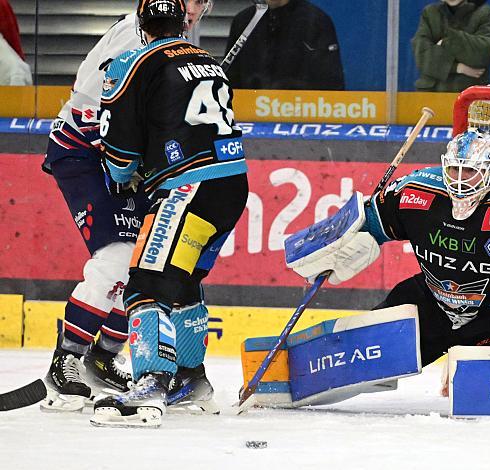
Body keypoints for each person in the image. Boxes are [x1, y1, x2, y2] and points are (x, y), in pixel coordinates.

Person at [289, 129, 490, 379]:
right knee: (354, 357)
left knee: (477, 386)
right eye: (454, 170)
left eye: (470, 172)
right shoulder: (417, 191)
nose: (459, 180)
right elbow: (371, 222)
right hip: (431, 303)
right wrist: (340, 243)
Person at [41, 0, 218, 413]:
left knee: (146, 259)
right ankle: (66, 360)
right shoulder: (131, 36)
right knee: (118, 256)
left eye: (203, 0)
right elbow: (99, 113)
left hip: (127, 161)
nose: (197, 7)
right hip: (86, 150)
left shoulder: (171, 39)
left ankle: (104, 356)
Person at [90, 0, 248, 428]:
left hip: (187, 187)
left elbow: (120, 157)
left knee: (145, 283)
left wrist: (126, 170)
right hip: (231, 184)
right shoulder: (207, 60)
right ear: (182, 23)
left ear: (142, 24)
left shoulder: (130, 62)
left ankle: (150, 385)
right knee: (183, 279)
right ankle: (189, 379)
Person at [224, 0, 344, 90]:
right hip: (249, 116)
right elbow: (228, 83)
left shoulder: (316, 22)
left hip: (301, 114)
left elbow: (332, 88)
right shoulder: (243, 21)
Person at [411, 0, 490, 92]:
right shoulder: (430, 12)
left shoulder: (485, 13)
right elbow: (421, 55)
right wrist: (458, 67)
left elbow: (481, 55)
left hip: (467, 95)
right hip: (431, 93)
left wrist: (446, 42)